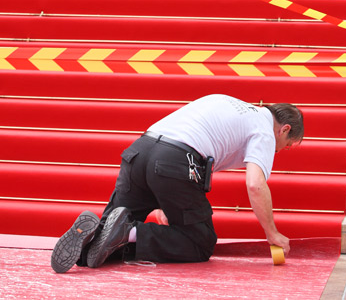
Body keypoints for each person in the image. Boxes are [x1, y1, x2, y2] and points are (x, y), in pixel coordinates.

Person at [51, 93, 304, 273]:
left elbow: (183, 140)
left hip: (141, 151)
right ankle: (126, 232)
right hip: (174, 161)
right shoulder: (265, 130)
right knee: (199, 242)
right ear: (284, 129)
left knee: (106, 236)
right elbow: (255, 185)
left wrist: (165, 201)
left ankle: (92, 238)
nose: (281, 150)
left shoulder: (226, 102)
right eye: (288, 145)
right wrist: (272, 234)